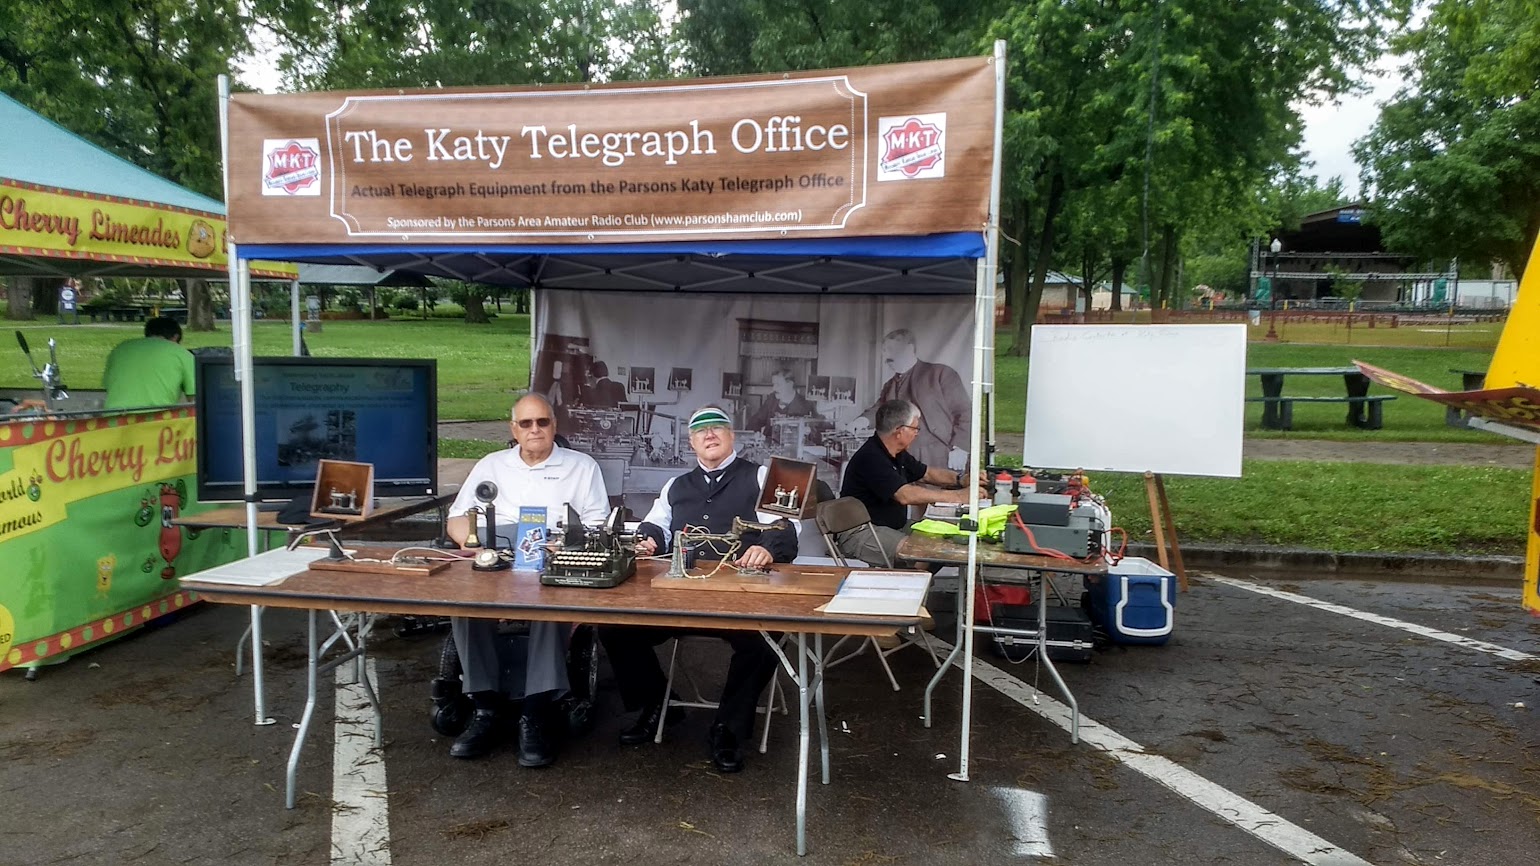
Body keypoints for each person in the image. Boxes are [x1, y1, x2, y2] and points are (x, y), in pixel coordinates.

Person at [599, 406, 797, 773]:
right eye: (701, 431)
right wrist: (647, 541)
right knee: (614, 628)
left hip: (740, 598)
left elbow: (786, 527)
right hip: (678, 596)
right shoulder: (677, 486)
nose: (709, 435)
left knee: (765, 637)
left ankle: (728, 729)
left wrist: (767, 549)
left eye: (717, 428)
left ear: (731, 435)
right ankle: (658, 704)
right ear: (691, 442)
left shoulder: (761, 476)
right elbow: (655, 524)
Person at [444, 393, 610, 766]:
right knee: (463, 605)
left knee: (550, 604)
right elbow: (456, 519)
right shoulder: (491, 465)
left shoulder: (582, 467)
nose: (535, 430)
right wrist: (472, 542)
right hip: (495, 561)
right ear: (513, 429)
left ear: (555, 425)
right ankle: (485, 709)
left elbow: (598, 524)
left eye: (543, 422)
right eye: (526, 423)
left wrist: (562, 547)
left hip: (551, 563)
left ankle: (535, 714)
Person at [836, 399, 980, 568]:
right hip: (861, 532)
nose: (917, 433)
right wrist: (957, 496)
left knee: (944, 541)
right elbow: (905, 495)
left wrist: (961, 479)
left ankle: (918, 583)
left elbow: (927, 473)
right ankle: (913, 588)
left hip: (892, 527)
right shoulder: (871, 457)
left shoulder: (897, 453)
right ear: (899, 431)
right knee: (923, 553)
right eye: (914, 428)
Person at [849, 328, 970, 471]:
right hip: (904, 457)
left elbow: (965, 412)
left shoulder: (940, 374)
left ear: (909, 349)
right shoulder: (889, 385)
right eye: (884, 350)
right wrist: (861, 421)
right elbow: (879, 410)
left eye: (890, 349)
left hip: (940, 455)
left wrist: (960, 449)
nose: (885, 355)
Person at [102, 317, 196, 410]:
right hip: (158, 418)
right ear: (176, 337)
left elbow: (108, 385)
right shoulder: (181, 353)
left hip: (114, 419)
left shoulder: (120, 349)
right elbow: (195, 400)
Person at [744, 367, 819, 440]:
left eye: (778, 385)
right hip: (770, 447)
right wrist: (756, 433)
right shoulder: (771, 399)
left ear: (790, 384)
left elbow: (817, 429)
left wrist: (808, 430)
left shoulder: (806, 404)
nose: (774, 388)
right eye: (773, 384)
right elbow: (755, 421)